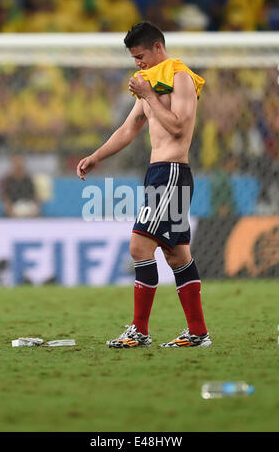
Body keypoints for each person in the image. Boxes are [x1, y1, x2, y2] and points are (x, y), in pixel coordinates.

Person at [77, 21, 212, 349]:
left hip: (172, 174)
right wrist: (97, 156)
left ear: (158, 48)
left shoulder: (180, 77)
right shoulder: (152, 84)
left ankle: (139, 331)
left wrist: (148, 94)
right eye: (133, 58)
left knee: (139, 247)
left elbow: (178, 129)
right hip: (158, 174)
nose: (138, 63)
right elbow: (128, 129)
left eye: (141, 56)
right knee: (178, 257)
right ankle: (198, 333)